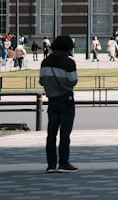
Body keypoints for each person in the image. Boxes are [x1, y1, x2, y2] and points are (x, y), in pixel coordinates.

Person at [39, 35, 78, 173]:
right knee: (65, 134)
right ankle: (64, 162)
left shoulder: (45, 62)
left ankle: (51, 164)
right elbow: (73, 81)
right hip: (66, 99)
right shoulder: (69, 63)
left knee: (51, 134)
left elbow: (42, 81)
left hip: (52, 100)